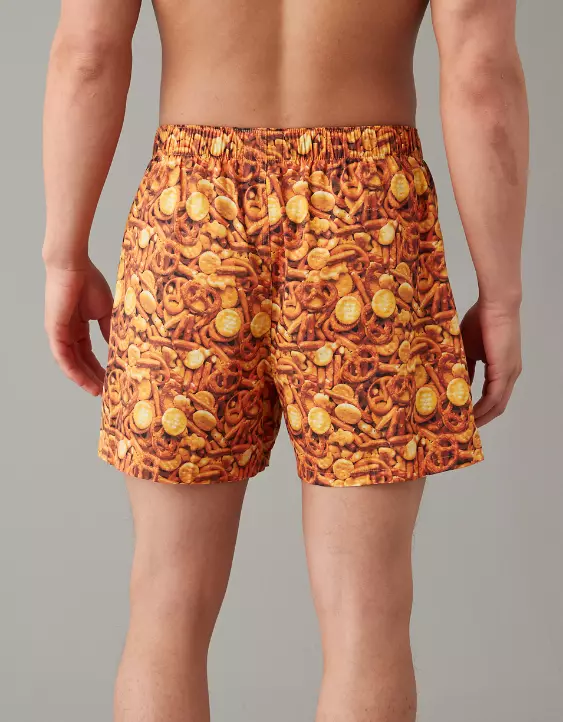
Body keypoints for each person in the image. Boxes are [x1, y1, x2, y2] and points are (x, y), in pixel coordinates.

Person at [42, 0, 527, 720]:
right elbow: (480, 75)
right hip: (367, 228)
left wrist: (63, 254)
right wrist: (502, 295)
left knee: (166, 603)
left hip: (191, 220)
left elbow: (87, 55)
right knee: (367, 615)